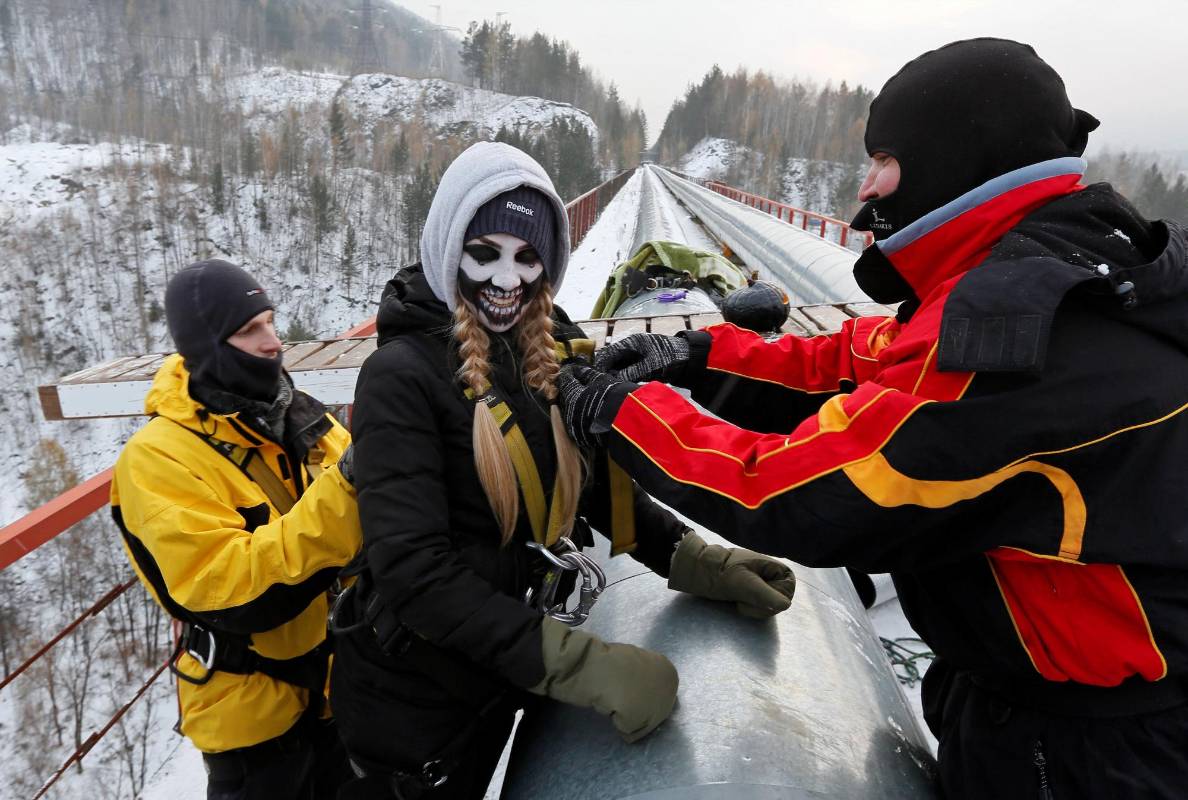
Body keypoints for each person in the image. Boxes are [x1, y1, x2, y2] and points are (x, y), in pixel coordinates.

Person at [558, 38, 1188, 799]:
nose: (867, 189)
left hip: (1088, 758)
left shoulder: (1012, 350)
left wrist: (619, 411)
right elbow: (861, 360)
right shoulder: (1056, 274)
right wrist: (693, 351)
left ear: (953, 159)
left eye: (883, 160)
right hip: (1057, 701)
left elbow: (790, 492)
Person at [329, 141, 796, 800]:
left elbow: (592, 481)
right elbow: (415, 573)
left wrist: (693, 559)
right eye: (484, 252)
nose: (506, 278)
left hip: (502, 667)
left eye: (529, 258)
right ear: (446, 247)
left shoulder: (540, 344)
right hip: (416, 707)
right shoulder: (400, 378)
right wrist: (580, 666)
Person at [111, 260, 362, 800]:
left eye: (271, 323)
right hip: (254, 726)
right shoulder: (156, 461)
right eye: (251, 330)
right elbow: (235, 590)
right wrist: (352, 486)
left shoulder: (295, 415)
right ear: (206, 348)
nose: (274, 343)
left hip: (338, 690)